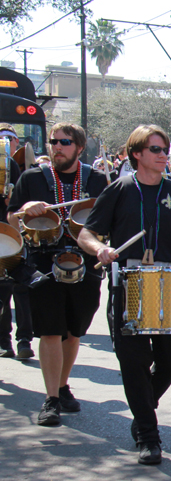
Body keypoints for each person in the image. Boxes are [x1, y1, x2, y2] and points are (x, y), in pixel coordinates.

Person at [77, 125, 171, 466]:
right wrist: (100, 248)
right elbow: (86, 233)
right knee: (133, 361)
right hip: (127, 280)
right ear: (137, 154)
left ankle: (145, 405)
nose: (164, 155)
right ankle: (148, 433)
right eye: (156, 149)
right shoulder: (119, 189)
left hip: (169, 282)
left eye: (165, 149)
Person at [7, 123, 106, 425]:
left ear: (78, 146)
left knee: (73, 331)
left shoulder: (97, 179)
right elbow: (12, 219)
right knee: (50, 329)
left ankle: (62, 385)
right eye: (53, 142)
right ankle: (50, 399)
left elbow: (108, 220)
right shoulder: (32, 178)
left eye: (64, 142)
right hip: (42, 261)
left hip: (85, 263)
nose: (57, 147)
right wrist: (25, 208)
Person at [0, 123, 33, 361]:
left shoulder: (10, 166)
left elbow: (16, 203)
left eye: (9, 139)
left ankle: (23, 340)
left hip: (9, 233)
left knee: (19, 288)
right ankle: (4, 342)